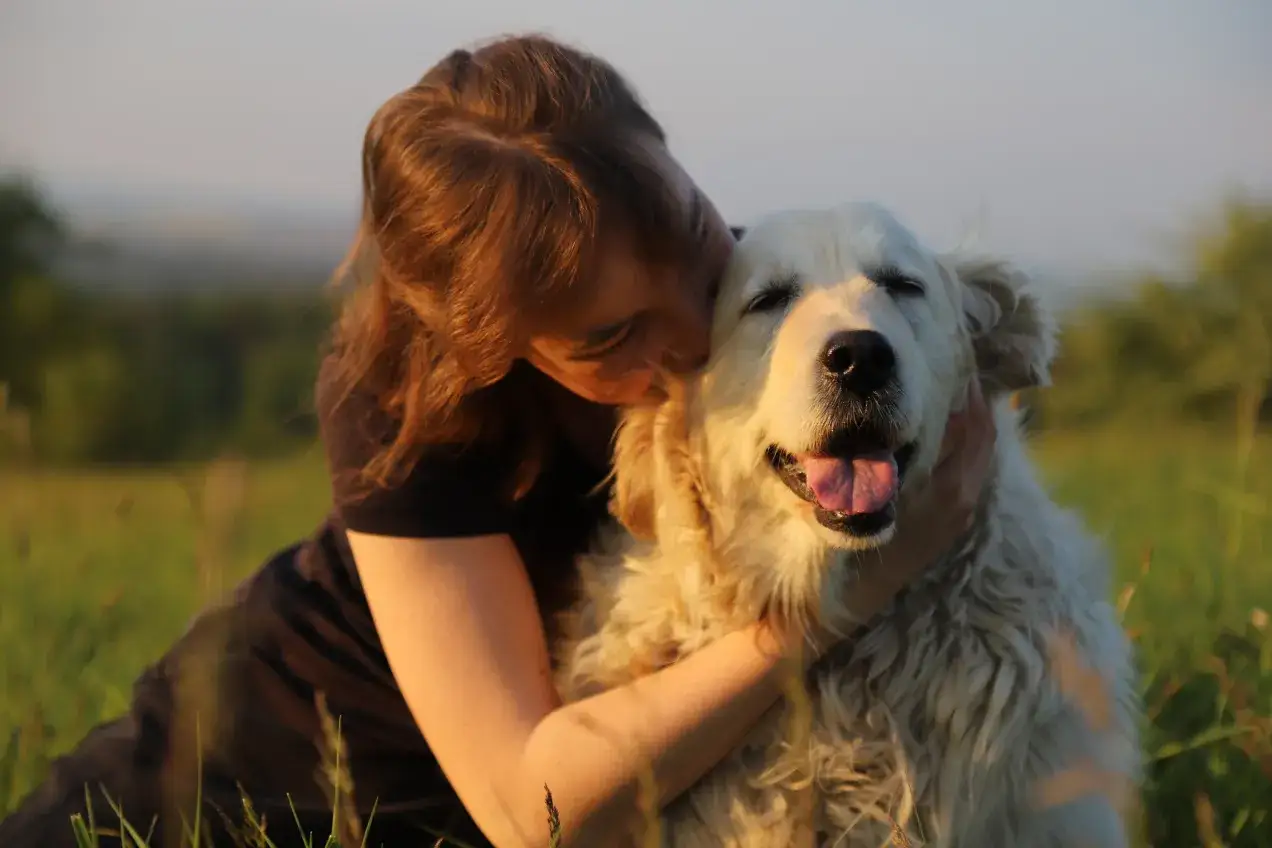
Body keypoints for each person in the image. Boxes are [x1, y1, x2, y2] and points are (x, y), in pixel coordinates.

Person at [0, 34, 997, 848]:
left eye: (694, 234)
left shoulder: (775, 294)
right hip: (254, 783)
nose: (693, 334)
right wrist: (849, 593)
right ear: (493, 351)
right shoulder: (400, 402)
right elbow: (533, 809)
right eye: (610, 336)